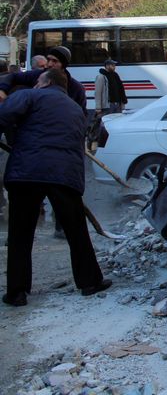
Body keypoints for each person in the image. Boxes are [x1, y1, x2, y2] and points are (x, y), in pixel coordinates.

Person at [0, 69, 111, 307]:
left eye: (39, 81)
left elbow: (4, 114)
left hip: (27, 172)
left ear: (46, 81)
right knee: (76, 231)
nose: (36, 84)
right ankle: (90, 282)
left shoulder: (31, 95)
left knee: (20, 234)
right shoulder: (76, 109)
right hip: (64, 175)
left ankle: (17, 293)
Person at [0, 46, 87, 115]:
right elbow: (11, 76)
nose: (49, 64)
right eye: (48, 60)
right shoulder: (36, 75)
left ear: (63, 65)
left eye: (54, 61)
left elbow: (82, 115)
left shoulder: (76, 88)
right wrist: (2, 90)